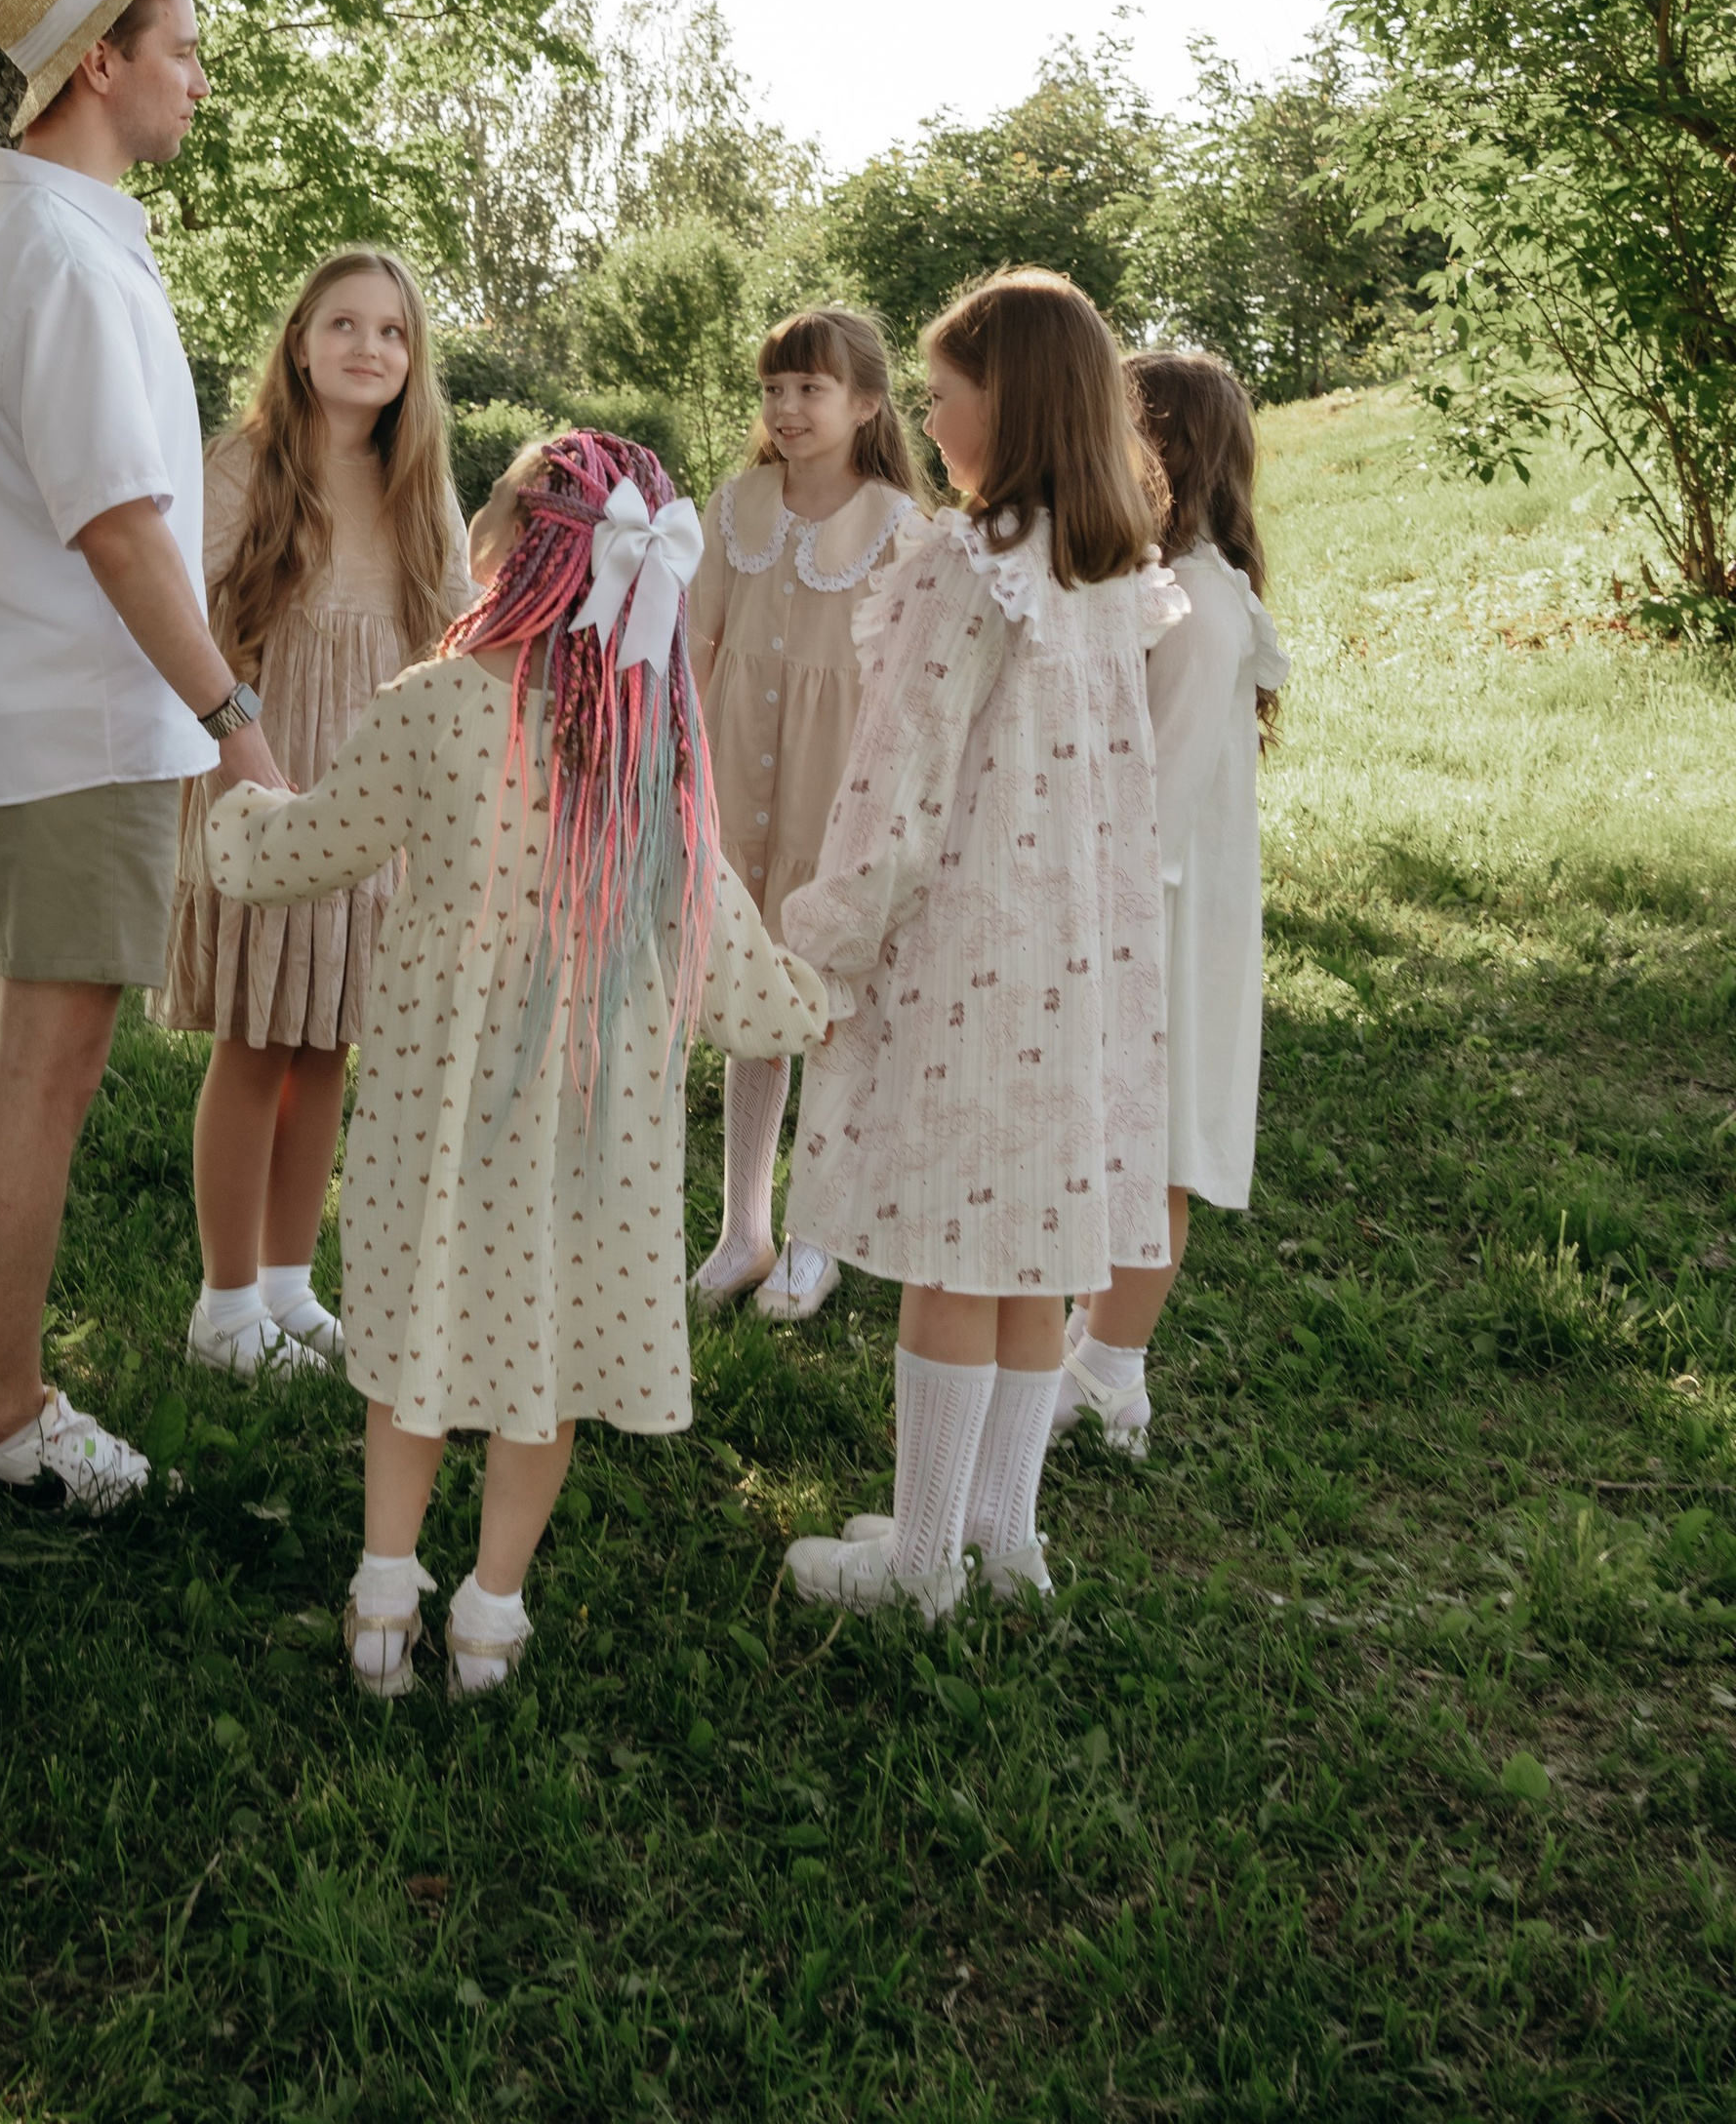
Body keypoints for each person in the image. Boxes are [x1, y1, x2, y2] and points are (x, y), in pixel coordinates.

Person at [205, 430, 847, 1700]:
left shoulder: (432, 704)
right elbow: (715, 936)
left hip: (435, 1106)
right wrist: (810, 1007)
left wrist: (234, 808)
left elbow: (304, 850)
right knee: (542, 1362)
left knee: (414, 1349)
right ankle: (490, 1617)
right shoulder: (654, 746)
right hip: (591, 1124)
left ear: (510, 549)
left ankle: (382, 1599)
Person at [0, 0, 286, 1513]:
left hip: (3, 719)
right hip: (75, 726)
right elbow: (122, 528)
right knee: (40, 1075)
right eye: (180, 52)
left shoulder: (16, 229)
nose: (199, 78)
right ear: (100, 65)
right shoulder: (58, 254)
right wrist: (235, 718)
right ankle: (9, 1417)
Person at [775, 271, 1188, 1621]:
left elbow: (896, 789)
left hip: (968, 956)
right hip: (1077, 959)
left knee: (952, 1254)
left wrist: (822, 936)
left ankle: (919, 1567)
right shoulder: (1099, 570)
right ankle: (1002, 1540)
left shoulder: (965, 567)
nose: (931, 411)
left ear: (1007, 403)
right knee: (1031, 1247)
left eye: (945, 389)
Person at [156, 248, 473, 1380]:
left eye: (391, 332)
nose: (367, 348)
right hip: (264, 774)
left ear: (412, 358)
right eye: (343, 325)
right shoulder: (240, 466)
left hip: (373, 801)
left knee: (328, 1038)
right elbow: (182, 616)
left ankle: (289, 1286)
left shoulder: (416, 482)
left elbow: (459, 629)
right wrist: (238, 759)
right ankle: (224, 1304)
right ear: (299, 343)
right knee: (255, 1039)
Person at [1054, 348, 1289, 1456]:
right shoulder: (1163, 583)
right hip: (1145, 904)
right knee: (1113, 1138)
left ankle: (1112, 1374)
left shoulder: (1194, 606)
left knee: (1152, 1148)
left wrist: (1095, 919)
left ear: (1162, 452)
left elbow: (1162, 791)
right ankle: (1087, 1349)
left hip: (1161, 917)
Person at [687, 303, 924, 1323]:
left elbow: (911, 683)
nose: (786, 407)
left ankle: (815, 1236)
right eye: (773, 388)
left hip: (837, 798)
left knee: (825, 1006)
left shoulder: (899, 528)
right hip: (735, 786)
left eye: (810, 389)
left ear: (864, 403)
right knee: (752, 1001)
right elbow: (696, 642)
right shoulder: (734, 506)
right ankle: (743, 1229)